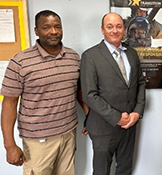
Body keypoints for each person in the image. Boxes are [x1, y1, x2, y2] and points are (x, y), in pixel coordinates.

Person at [1, 10, 88, 175]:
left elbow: (78, 91)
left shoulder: (73, 57)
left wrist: (89, 116)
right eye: (46, 27)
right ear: (36, 30)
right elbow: (9, 103)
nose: (53, 31)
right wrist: (9, 145)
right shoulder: (20, 62)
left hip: (68, 133)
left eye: (57, 27)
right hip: (38, 140)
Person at [80, 12, 146, 175]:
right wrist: (117, 117)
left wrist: (137, 112)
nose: (114, 30)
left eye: (118, 26)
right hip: (103, 126)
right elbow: (89, 94)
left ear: (124, 29)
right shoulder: (90, 56)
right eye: (110, 27)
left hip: (130, 124)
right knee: (102, 171)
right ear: (102, 30)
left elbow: (140, 83)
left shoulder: (131, 53)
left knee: (125, 168)